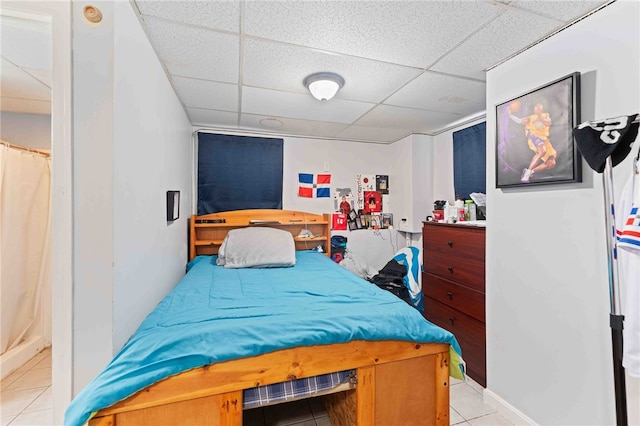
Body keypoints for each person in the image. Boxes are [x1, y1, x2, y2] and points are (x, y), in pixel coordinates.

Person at [509, 102, 557, 183]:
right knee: (542, 151)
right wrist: (510, 115)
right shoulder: (530, 118)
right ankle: (527, 174)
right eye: (536, 108)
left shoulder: (545, 115)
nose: (538, 109)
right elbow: (520, 121)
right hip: (534, 137)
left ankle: (529, 171)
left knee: (551, 163)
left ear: (541, 109)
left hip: (544, 139)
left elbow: (549, 122)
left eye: (539, 108)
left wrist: (540, 118)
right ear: (534, 109)